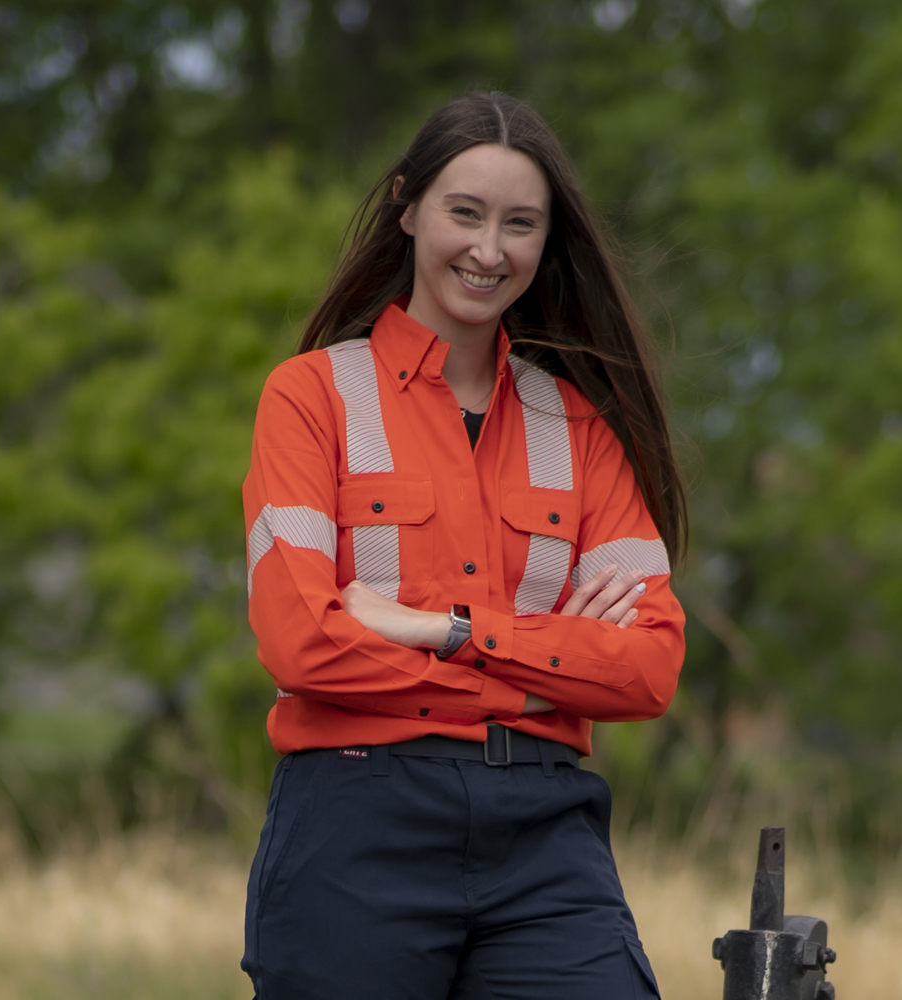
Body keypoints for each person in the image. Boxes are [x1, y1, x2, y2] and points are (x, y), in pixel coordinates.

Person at [240, 91, 687, 1000]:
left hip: (546, 836)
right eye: (465, 213)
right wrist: (547, 663)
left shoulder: (582, 428)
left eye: (520, 224)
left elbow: (646, 671)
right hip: (356, 819)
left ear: (546, 242)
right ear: (407, 207)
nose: (490, 250)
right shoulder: (310, 397)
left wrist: (441, 629)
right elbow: (301, 643)